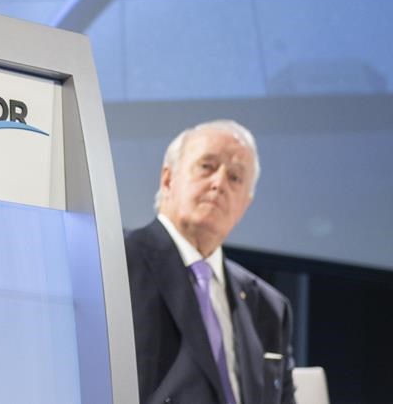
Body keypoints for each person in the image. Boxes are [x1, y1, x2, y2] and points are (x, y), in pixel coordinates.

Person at [125, 119, 295, 404]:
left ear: (245, 204)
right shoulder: (118, 262)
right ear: (168, 180)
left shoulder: (269, 307)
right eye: (207, 166)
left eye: (235, 178)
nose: (219, 184)